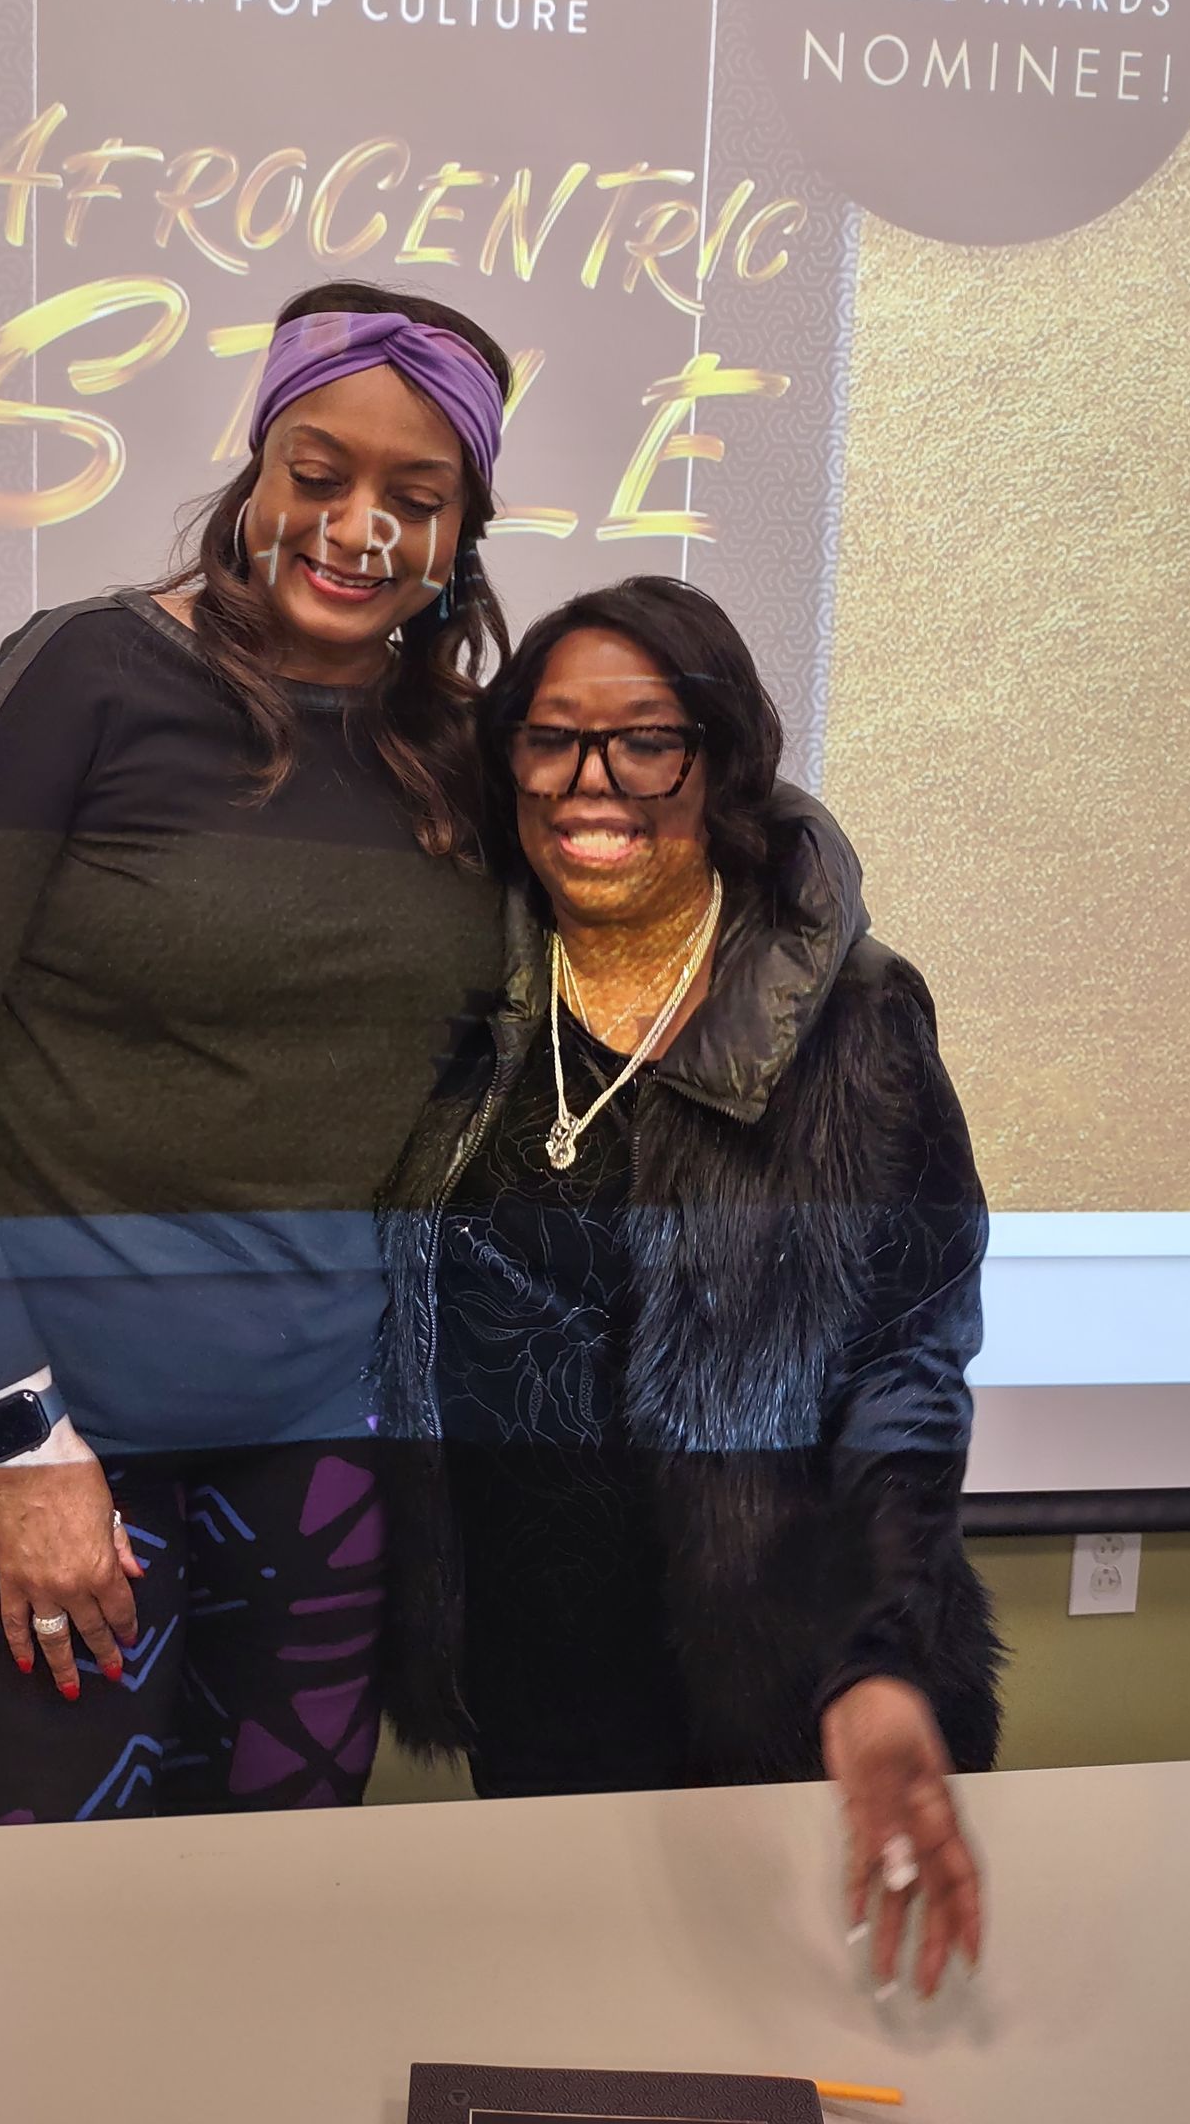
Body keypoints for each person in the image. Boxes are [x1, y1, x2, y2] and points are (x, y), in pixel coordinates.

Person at [0, 280, 511, 1826]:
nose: (355, 528)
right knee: (48, 1952)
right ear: (254, 475)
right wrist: (22, 1440)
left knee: (275, 1920)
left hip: (321, 1445)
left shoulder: (468, 754)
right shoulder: (81, 677)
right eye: (316, 474)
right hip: (43, 1446)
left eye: (416, 496)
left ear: (464, 529)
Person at [376, 576, 1000, 1996]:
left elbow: (907, 1362)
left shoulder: (856, 1021)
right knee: (572, 2028)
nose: (592, 782)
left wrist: (884, 1660)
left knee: (772, 2050)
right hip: (530, 1672)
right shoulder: (464, 997)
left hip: (783, 1674)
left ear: (717, 761)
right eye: (550, 738)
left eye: (644, 740)